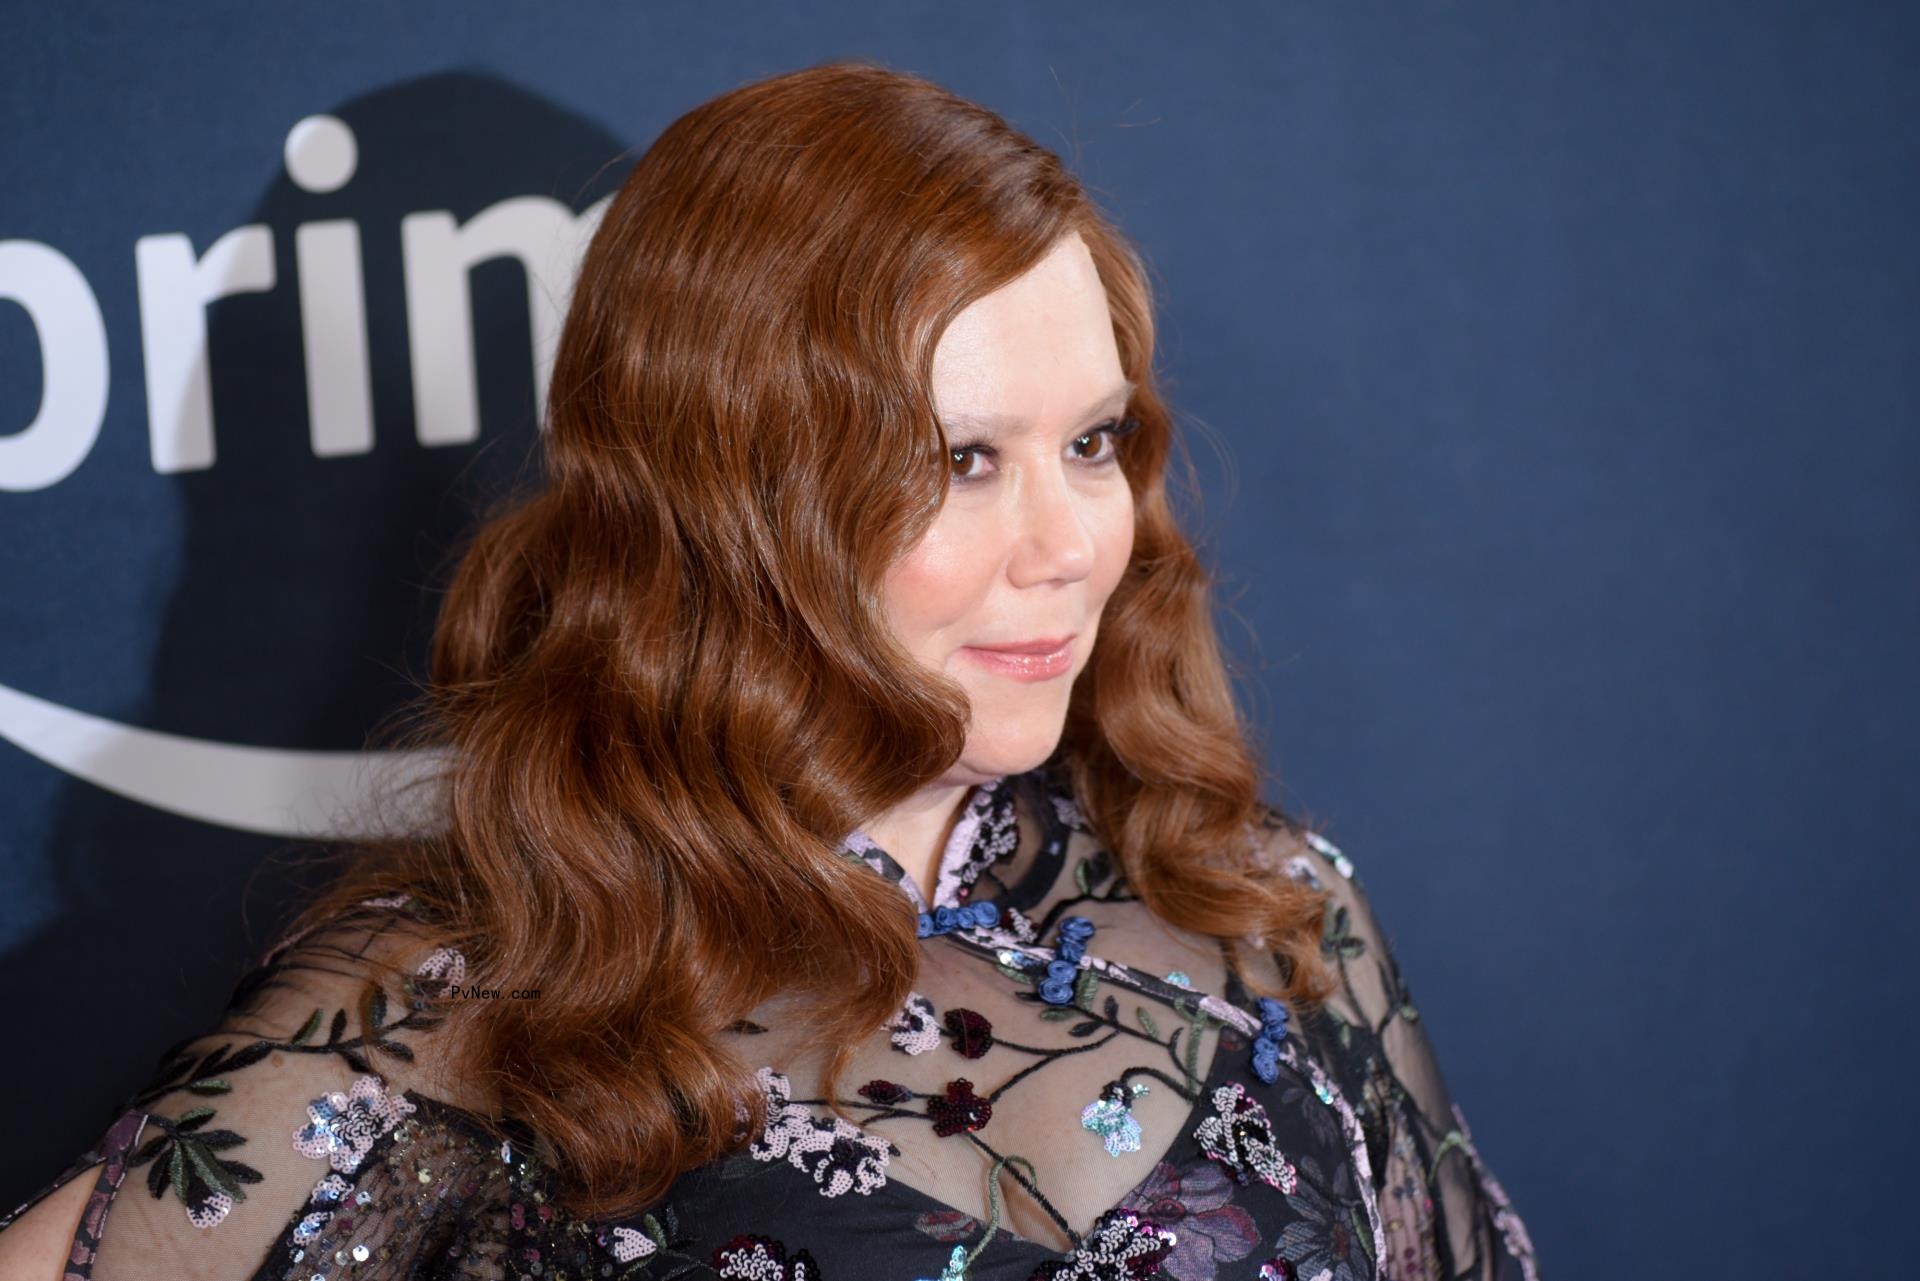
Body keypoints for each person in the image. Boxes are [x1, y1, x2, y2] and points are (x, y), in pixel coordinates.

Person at [0, 60, 1539, 1281]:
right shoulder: (467, 1010)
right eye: (959, 460)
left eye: (1092, 441)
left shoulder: (1264, 907)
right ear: (731, 506)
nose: (1071, 540)